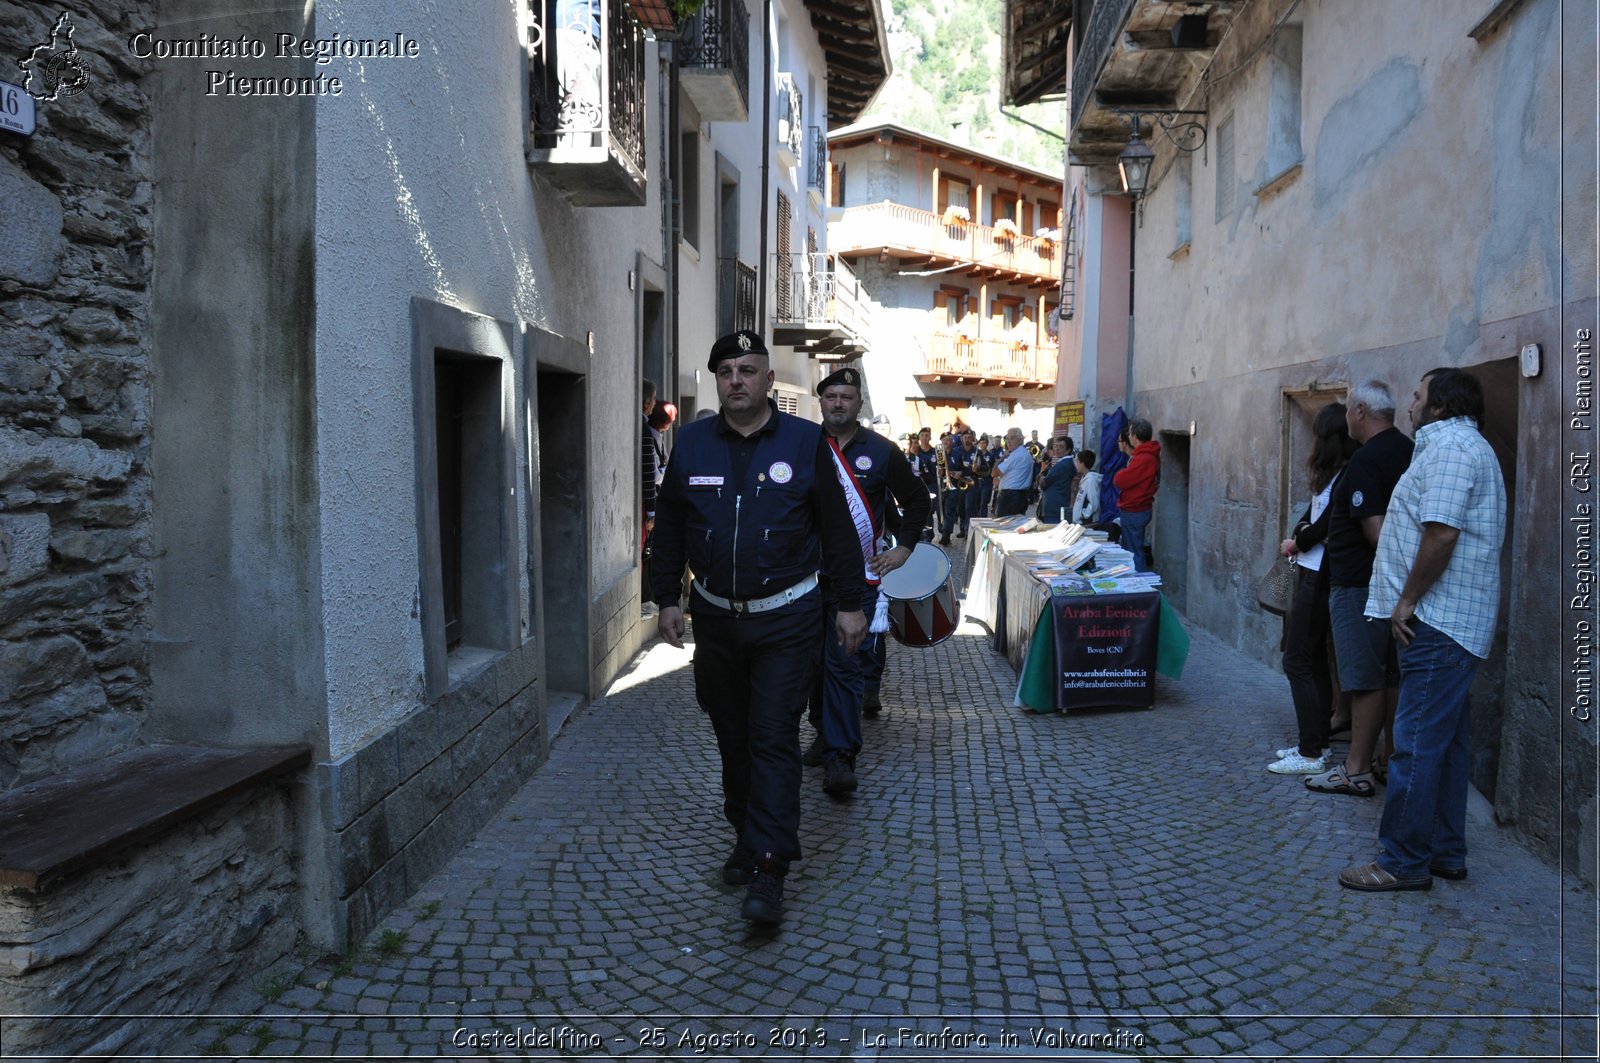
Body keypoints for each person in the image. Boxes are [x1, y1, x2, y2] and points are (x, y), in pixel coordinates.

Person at [650, 329, 867, 925]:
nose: (737, 379)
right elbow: (669, 526)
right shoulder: (691, 445)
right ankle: (746, 832)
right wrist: (666, 596)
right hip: (716, 618)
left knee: (771, 735)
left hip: (788, 619)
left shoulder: (806, 442)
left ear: (770, 380)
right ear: (716, 381)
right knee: (731, 733)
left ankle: (770, 864)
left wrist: (851, 604)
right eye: (726, 371)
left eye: (748, 369)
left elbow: (840, 530)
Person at [1339, 368, 1506, 891]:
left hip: (1438, 621)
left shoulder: (1454, 448)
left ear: (1439, 406)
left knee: (1411, 744)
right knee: (1445, 745)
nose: (1410, 403)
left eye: (1417, 396)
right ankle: (1444, 852)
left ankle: (1402, 861)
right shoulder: (1447, 447)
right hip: (1445, 621)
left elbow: (1440, 534)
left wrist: (1407, 601)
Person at [802, 367, 930, 795]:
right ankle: (822, 732)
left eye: (846, 396)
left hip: (855, 581)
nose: (838, 403)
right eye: (831, 396)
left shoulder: (882, 451)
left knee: (844, 665)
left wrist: (904, 548)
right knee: (812, 667)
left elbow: (915, 501)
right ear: (821, 402)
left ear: (859, 404)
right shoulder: (802, 447)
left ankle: (841, 755)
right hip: (802, 579)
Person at [1303, 380, 1415, 800]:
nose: (1348, 416)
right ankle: (1385, 759)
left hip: (1359, 586)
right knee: (1388, 676)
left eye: (1350, 409)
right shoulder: (1407, 449)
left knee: (1364, 679)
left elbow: (1377, 532)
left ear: (1362, 412)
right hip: (1389, 587)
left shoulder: (1367, 459)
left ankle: (1356, 769)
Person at [1268, 403, 1358, 774]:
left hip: (1321, 574)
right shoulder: (1332, 475)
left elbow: (1323, 527)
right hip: (1310, 570)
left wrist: (1298, 540)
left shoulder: (1347, 474)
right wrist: (1299, 536)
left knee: (1297, 659)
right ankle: (1316, 742)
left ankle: (1311, 752)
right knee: (1313, 658)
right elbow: (1311, 518)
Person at [1112, 419, 1160, 571]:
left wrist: (1120, 474)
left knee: (1133, 552)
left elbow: (1121, 480)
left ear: (1135, 437)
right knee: (1131, 549)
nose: (1129, 436)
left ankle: (1140, 583)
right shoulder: (1147, 455)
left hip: (1135, 509)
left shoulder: (1144, 458)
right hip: (1137, 508)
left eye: (1130, 433)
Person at [939, 430, 972, 544]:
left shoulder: (958, 454)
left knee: (950, 509)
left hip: (953, 484)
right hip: (940, 485)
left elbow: (965, 469)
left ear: (952, 441)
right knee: (940, 509)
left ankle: (946, 534)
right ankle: (942, 529)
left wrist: (960, 473)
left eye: (948, 440)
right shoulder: (937, 454)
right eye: (944, 440)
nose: (946, 442)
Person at [993, 428, 1034, 517]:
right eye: (1007, 438)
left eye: (1012, 438)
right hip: (1019, 496)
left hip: (1010, 497)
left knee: (1004, 527)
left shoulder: (1016, 455)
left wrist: (1002, 458)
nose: (1009, 441)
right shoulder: (1024, 453)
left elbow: (994, 473)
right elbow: (1016, 476)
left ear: (1020, 439)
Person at [1036, 437, 1076, 524]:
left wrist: (1041, 478)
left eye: (1061, 447)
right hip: (1058, 507)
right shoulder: (1065, 463)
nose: (1057, 449)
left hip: (1054, 509)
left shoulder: (1062, 465)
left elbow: (1044, 483)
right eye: (1056, 446)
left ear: (1068, 450)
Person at [913, 428, 939, 541]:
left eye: (927, 435)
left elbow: (942, 467)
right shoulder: (915, 452)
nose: (924, 438)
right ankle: (921, 534)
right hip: (918, 486)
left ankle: (928, 535)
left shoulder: (936, 452)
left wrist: (941, 471)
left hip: (932, 485)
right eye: (922, 435)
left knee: (928, 510)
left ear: (930, 437)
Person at [1071, 449, 1101, 525]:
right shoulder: (1084, 479)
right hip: (1080, 522)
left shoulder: (1090, 480)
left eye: (1077, 461)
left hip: (1087, 523)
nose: (1076, 464)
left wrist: (1083, 515)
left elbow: (1094, 503)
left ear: (1082, 463)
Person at [971, 433, 994, 519]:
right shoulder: (976, 454)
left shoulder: (990, 455)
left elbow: (990, 468)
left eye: (984, 443)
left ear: (987, 444)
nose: (982, 444)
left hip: (986, 481)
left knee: (984, 502)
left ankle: (983, 519)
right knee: (976, 502)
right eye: (981, 443)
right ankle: (977, 519)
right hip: (977, 480)